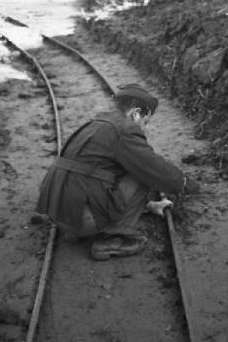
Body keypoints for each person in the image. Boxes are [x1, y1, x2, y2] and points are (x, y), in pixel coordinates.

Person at [36, 83, 198, 260]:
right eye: (145, 121)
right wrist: (186, 184)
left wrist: (148, 205)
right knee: (142, 173)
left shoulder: (97, 124)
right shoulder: (124, 129)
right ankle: (113, 238)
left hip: (59, 214)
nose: (144, 128)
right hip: (81, 222)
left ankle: (95, 223)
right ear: (135, 113)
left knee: (127, 167)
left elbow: (98, 174)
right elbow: (155, 169)